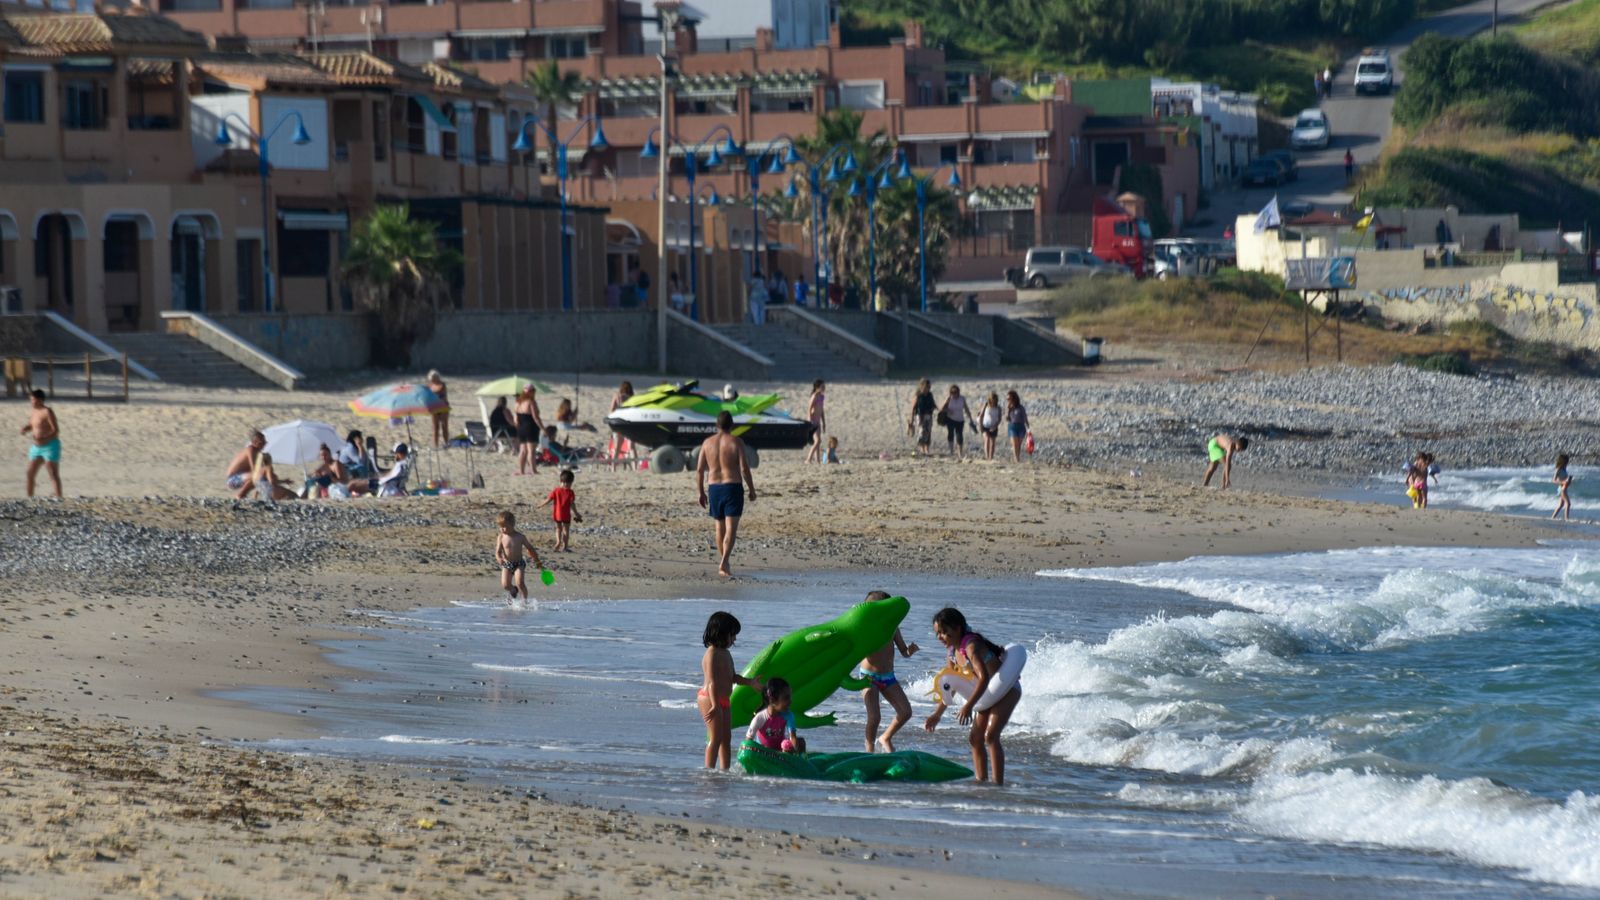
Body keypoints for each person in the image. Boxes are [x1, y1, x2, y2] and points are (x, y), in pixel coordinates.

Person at [923, 607, 1019, 785]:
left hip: (1007, 691)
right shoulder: (952, 653)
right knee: (975, 738)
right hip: (988, 695)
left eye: (944, 632)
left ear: (958, 628)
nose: (940, 637)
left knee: (990, 736)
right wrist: (937, 714)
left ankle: (998, 785)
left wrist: (968, 706)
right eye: (938, 633)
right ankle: (981, 782)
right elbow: (949, 685)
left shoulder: (971, 646)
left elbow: (983, 678)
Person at [698, 611, 764, 770]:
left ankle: (724, 770)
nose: (734, 639)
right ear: (720, 633)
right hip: (709, 698)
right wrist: (714, 705)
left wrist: (750, 682)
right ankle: (709, 771)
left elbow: (733, 677)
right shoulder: (711, 654)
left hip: (723, 699)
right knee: (715, 738)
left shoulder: (726, 654)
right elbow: (712, 682)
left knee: (726, 738)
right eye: (732, 635)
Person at [858, 590, 920, 753]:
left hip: (888, 677)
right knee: (874, 717)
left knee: (906, 712)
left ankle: (885, 737)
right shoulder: (864, 628)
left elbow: (903, 652)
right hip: (868, 677)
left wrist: (910, 651)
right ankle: (869, 748)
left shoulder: (893, 628)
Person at [696, 410, 756, 578]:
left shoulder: (707, 443)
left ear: (717, 425)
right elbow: (744, 469)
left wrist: (701, 492)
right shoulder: (736, 442)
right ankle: (724, 562)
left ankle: (724, 562)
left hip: (714, 488)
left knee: (719, 527)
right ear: (732, 425)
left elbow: (700, 470)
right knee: (730, 529)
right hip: (732, 487)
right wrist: (752, 489)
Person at [494, 510, 544, 603]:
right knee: (505, 585)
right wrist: (499, 558)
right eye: (500, 527)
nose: (502, 529)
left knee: (520, 583)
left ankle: (524, 601)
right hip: (507, 563)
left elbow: (530, 548)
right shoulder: (501, 537)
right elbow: (498, 552)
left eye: (504, 526)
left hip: (519, 563)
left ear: (512, 524)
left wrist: (537, 561)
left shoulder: (520, 537)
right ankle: (513, 590)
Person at [20, 389, 62, 499]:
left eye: (33, 400)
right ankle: (30, 498)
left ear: (39, 400)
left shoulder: (47, 411)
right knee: (30, 473)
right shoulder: (34, 411)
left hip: (50, 445)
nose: (31, 402)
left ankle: (59, 498)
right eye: (31, 400)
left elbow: (56, 430)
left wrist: (45, 438)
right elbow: (32, 424)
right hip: (37, 447)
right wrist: (26, 428)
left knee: (52, 473)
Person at [747, 677, 806, 755]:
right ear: (772, 699)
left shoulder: (788, 715)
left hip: (779, 752)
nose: (790, 701)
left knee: (801, 742)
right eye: (786, 698)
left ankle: (802, 761)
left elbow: (792, 737)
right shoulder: (760, 718)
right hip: (762, 752)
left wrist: (794, 752)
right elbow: (748, 740)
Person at [542, 469, 582, 551]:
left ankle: (558, 542)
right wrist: (576, 513)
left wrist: (541, 504)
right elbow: (572, 504)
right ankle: (565, 546)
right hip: (566, 515)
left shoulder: (556, 491)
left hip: (557, 515)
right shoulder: (570, 492)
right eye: (566, 483)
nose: (567, 485)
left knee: (558, 529)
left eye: (568, 483)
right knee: (566, 530)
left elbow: (548, 500)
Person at [225, 429, 267, 499]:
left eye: (265, 442)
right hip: (232, 479)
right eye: (261, 443)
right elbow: (255, 470)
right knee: (259, 476)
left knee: (262, 477)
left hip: (242, 477)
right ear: (254, 442)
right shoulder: (250, 450)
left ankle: (249, 496)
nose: (264, 445)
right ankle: (240, 495)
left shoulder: (258, 453)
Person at [607, 380, 637, 471]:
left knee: (617, 447)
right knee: (631, 447)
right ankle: (635, 467)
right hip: (630, 423)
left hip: (619, 422)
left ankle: (613, 467)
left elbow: (611, 410)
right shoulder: (633, 398)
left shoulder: (617, 396)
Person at [515, 385, 544, 476]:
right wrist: (543, 428)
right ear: (531, 392)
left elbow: (515, 420)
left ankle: (521, 471)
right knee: (531, 451)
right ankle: (533, 470)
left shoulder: (518, 402)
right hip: (531, 427)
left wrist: (519, 428)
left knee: (522, 451)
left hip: (521, 428)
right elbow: (536, 417)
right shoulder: (531, 402)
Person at [938, 384, 970, 458]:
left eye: (955, 392)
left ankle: (960, 453)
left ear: (958, 392)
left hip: (960, 420)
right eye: (952, 392)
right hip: (950, 419)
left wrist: (970, 417)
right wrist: (948, 410)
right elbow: (941, 408)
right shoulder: (949, 399)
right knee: (950, 434)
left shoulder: (962, 398)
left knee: (959, 436)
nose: (954, 394)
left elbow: (966, 408)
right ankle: (951, 451)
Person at [907, 378, 936, 457]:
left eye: (929, 387)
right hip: (920, 416)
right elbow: (913, 408)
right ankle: (922, 448)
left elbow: (933, 405)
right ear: (922, 386)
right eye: (927, 387)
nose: (928, 388)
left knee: (928, 432)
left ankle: (927, 449)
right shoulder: (918, 396)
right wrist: (911, 420)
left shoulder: (930, 395)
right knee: (922, 431)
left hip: (929, 415)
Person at [803, 379, 826, 465]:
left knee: (818, 442)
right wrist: (809, 420)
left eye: (824, 387)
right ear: (817, 387)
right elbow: (809, 408)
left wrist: (824, 422)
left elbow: (822, 410)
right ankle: (808, 459)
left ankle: (817, 460)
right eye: (822, 387)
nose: (824, 388)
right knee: (817, 441)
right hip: (813, 421)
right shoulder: (814, 396)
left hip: (818, 421)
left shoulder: (822, 397)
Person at [426, 369, 450, 448]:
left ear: (437, 377)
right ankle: (436, 444)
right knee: (435, 427)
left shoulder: (442, 385)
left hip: (443, 407)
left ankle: (446, 443)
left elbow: (443, 396)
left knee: (444, 426)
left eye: (433, 378)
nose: (432, 380)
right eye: (431, 379)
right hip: (434, 408)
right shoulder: (430, 385)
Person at [1005, 390, 1030, 463]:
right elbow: (1007, 418)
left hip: (1021, 427)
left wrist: (1028, 428)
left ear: (1014, 398)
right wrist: (1008, 410)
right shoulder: (1008, 407)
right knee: (1014, 443)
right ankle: (1016, 460)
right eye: (1007, 399)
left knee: (1018, 445)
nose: (1008, 400)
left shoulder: (1020, 407)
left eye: (1009, 399)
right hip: (1012, 426)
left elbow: (1025, 417)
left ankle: (1017, 458)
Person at [977, 391, 1002, 461]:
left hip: (994, 426)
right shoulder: (986, 406)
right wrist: (980, 427)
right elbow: (981, 415)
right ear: (989, 400)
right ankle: (987, 456)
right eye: (992, 400)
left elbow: (999, 418)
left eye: (994, 400)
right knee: (987, 439)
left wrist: (995, 426)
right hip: (985, 425)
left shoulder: (998, 408)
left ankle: (991, 457)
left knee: (992, 442)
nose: (993, 402)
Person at [1553, 453, 1573, 521]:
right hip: (1562, 488)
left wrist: (1568, 481)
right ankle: (1566, 518)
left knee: (1561, 504)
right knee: (1568, 503)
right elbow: (1554, 480)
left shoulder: (1564, 469)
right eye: (1566, 461)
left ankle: (1553, 517)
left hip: (1565, 487)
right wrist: (1563, 482)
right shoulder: (1558, 469)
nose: (1567, 462)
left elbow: (1564, 478)